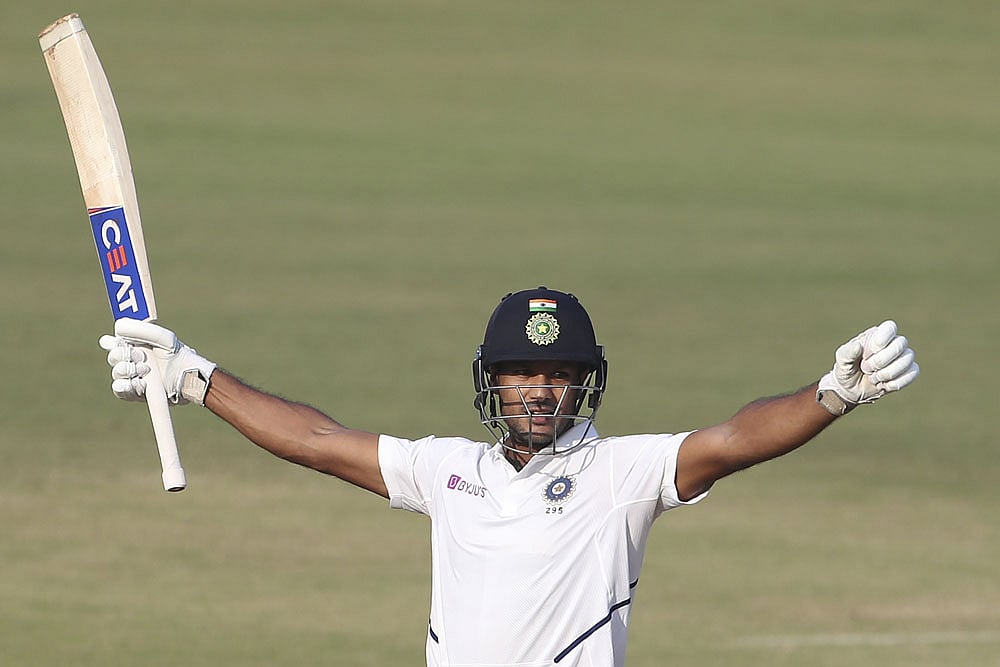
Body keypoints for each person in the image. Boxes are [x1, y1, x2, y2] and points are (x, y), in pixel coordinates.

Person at [99, 286, 919, 666]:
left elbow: (734, 440)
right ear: (491, 381)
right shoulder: (446, 469)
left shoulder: (621, 474)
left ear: (585, 383)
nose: (539, 389)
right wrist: (194, 377)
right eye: (521, 372)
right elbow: (317, 439)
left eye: (559, 373)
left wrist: (832, 393)